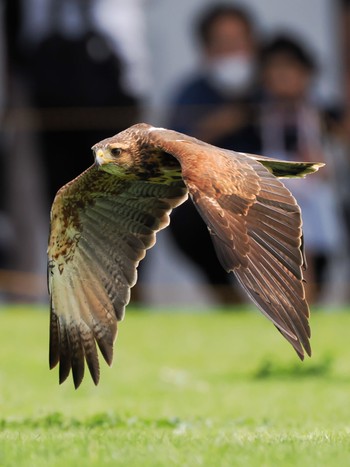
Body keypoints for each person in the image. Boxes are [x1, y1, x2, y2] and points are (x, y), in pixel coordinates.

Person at [167, 4, 260, 304]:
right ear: (206, 49)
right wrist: (215, 127)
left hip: (269, 202)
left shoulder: (274, 85)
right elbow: (172, 153)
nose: (233, 51)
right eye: (222, 44)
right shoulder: (190, 94)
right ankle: (228, 302)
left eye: (239, 41)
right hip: (212, 205)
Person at [257, 35, 347, 303]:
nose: (283, 77)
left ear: (307, 73)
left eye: (290, 69)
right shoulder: (257, 115)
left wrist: (330, 158)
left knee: (312, 251)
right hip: (277, 193)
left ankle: (310, 302)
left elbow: (340, 147)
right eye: (275, 70)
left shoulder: (322, 113)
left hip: (319, 196)